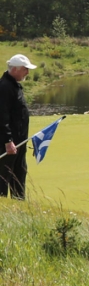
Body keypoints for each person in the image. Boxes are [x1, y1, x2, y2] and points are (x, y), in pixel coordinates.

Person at [0, 53, 36, 200]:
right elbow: (2, 117)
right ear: (15, 69)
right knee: (3, 176)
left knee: (19, 174)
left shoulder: (14, 85)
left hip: (19, 143)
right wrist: (8, 141)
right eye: (25, 69)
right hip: (8, 144)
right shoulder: (5, 87)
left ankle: (19, 207)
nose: (27, 72)